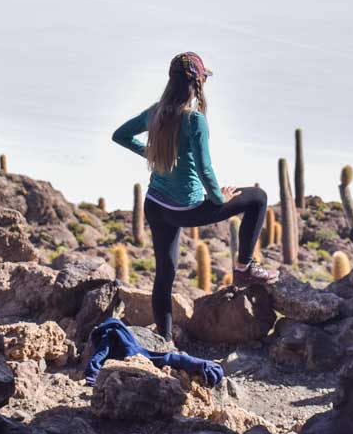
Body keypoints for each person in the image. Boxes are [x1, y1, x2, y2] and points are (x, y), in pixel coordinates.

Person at [112, 51, 278, 341]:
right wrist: (219, 198)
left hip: (155, 205)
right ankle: (244, 268)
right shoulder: (194, 120)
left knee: (165, 275)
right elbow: (205, 169)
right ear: (198, 83)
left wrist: (152, 154)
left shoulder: (155, 112)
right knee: (258, 198)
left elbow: (121, 135)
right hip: (184, 209)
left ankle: (164, 342)